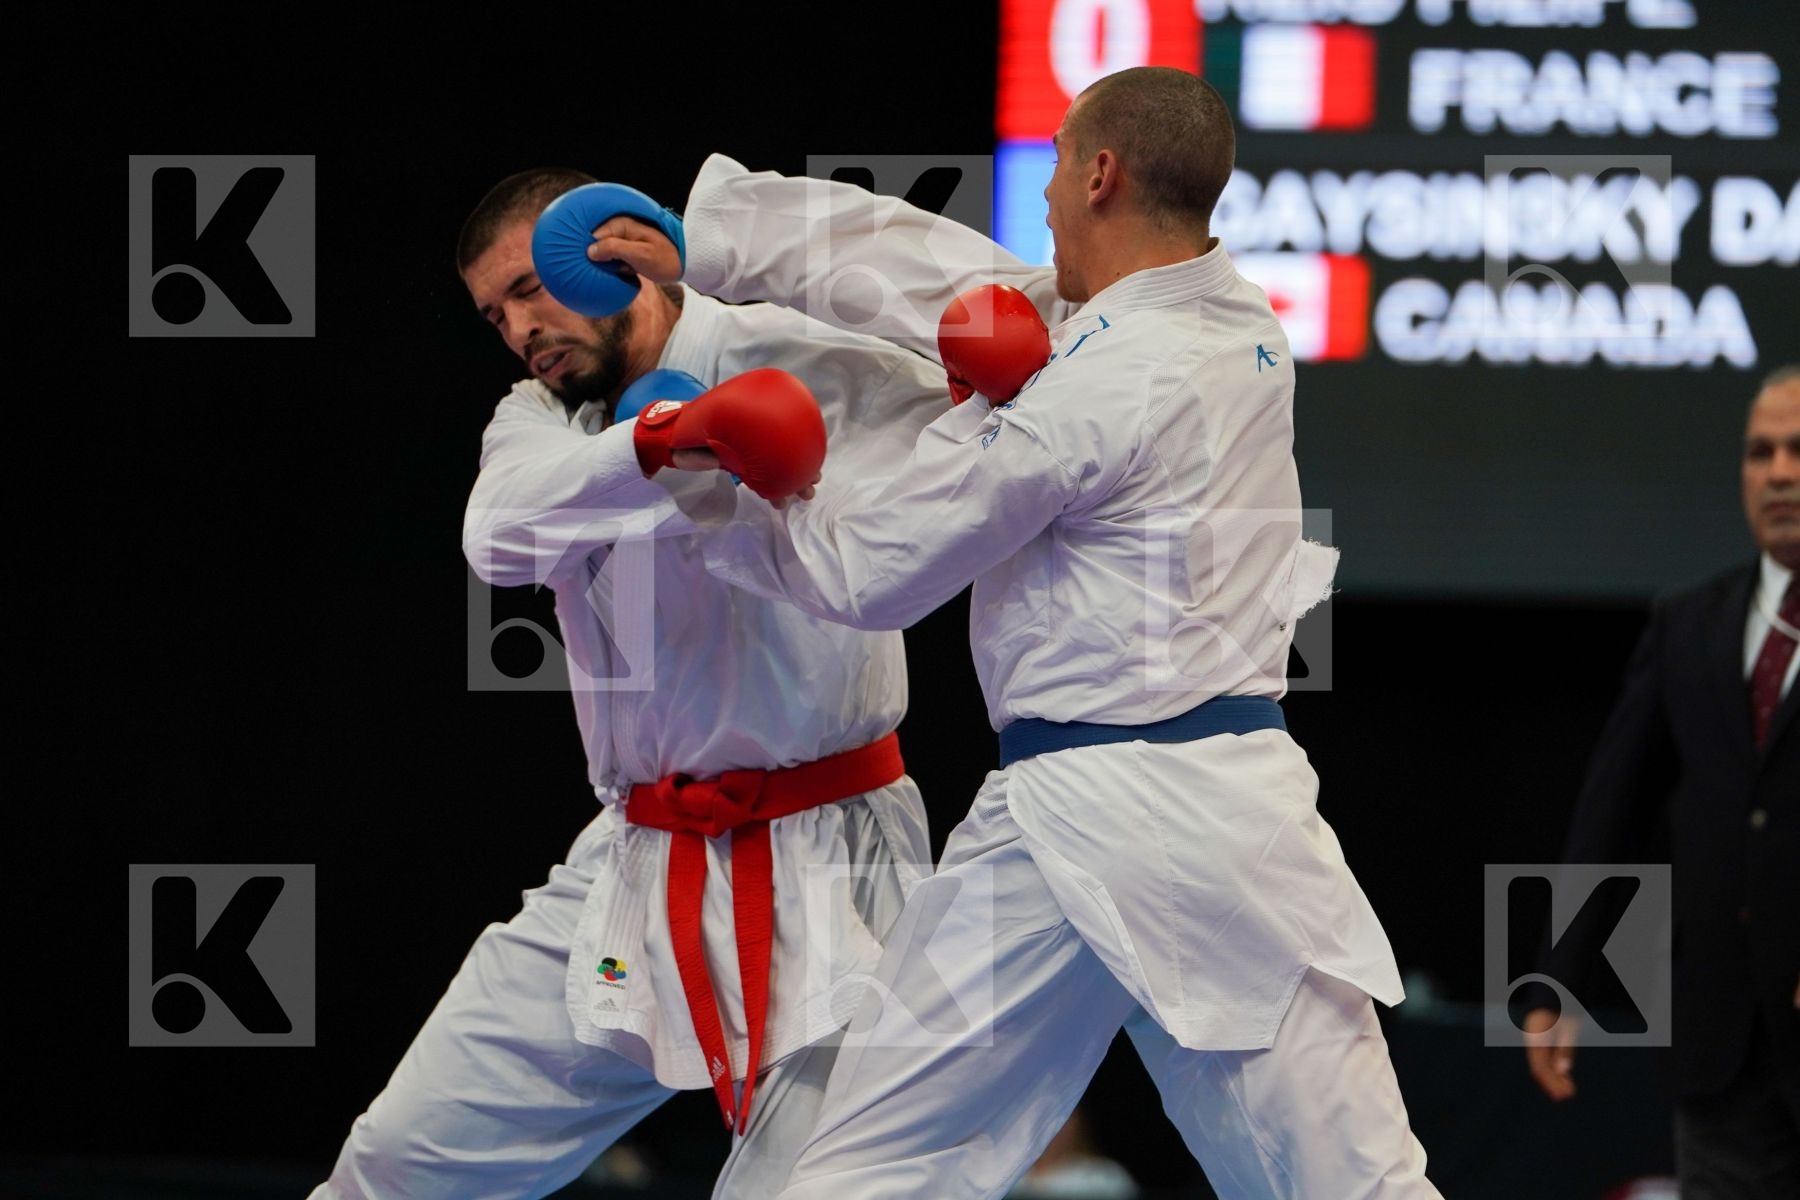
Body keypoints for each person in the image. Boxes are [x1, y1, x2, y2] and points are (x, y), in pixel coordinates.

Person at [587, 67, 1440, 1197]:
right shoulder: (1229, 315)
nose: (1038, 202)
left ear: (1101, 172)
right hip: (1208, 817)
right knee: (1351, 1183)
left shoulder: (1099, 387)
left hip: (1108, 802)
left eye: (1051, 171)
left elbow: (870, 569)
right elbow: (932, 270)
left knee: (868, 1170)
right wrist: (715, 236)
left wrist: (724, 493)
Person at [309, 167, 954, 1198]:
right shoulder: (538, 421)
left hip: (837, 855)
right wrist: (664, 442)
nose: (519, 328)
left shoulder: (793, 354)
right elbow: (496, 538)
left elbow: (977, 426)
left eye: (532, 287)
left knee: (819, 1191)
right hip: (636, 858)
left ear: (606, 250)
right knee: (400, 1162)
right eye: (493, 313)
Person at [1523, 366, 1800, 1197]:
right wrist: (1555, 977)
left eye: (1798, 450)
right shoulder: (1688, 622)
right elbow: (1613, 809)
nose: (1779, 471)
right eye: (1759, 452)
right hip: (1720, 1046)